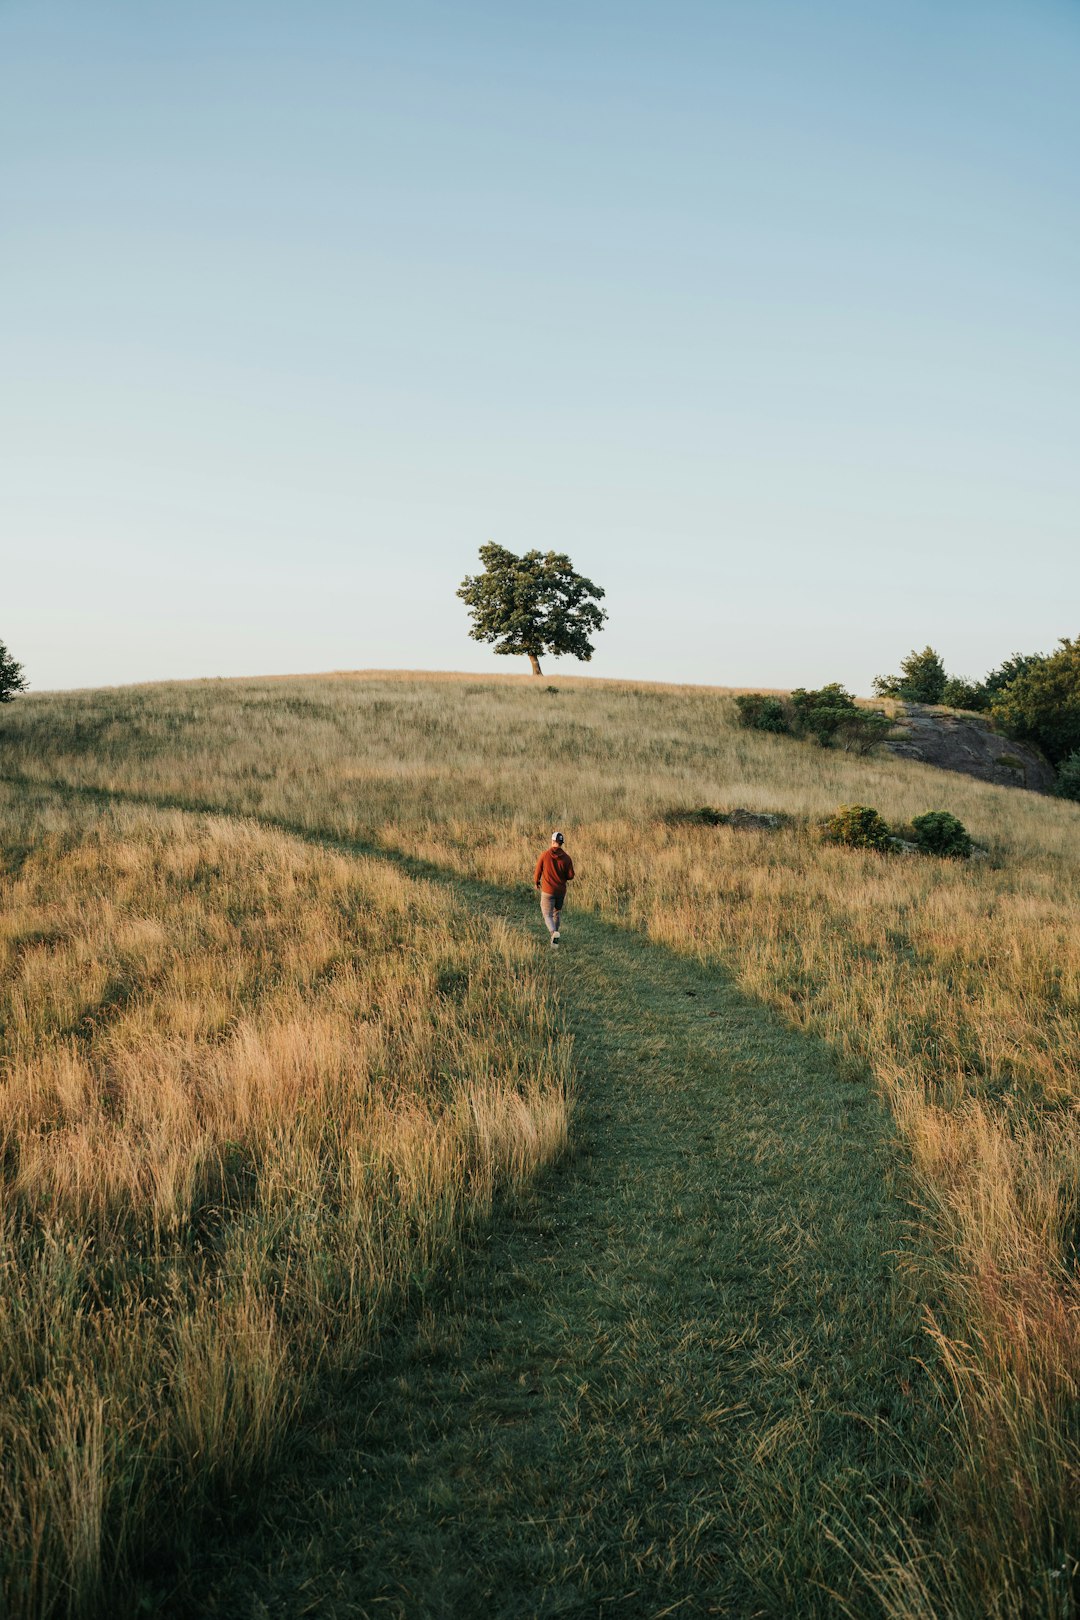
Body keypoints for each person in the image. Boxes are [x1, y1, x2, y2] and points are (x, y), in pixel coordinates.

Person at [534, 830, 575, 947]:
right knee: (556, 913)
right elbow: (571, 876)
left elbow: (538, 871)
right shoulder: (567, 858)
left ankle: (553, 933)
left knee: (547, 914)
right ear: (561, 843)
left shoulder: (545, 855)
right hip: (561, 891)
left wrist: (536, 882)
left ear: (552, 841)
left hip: (548, 890)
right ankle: (554, 941)